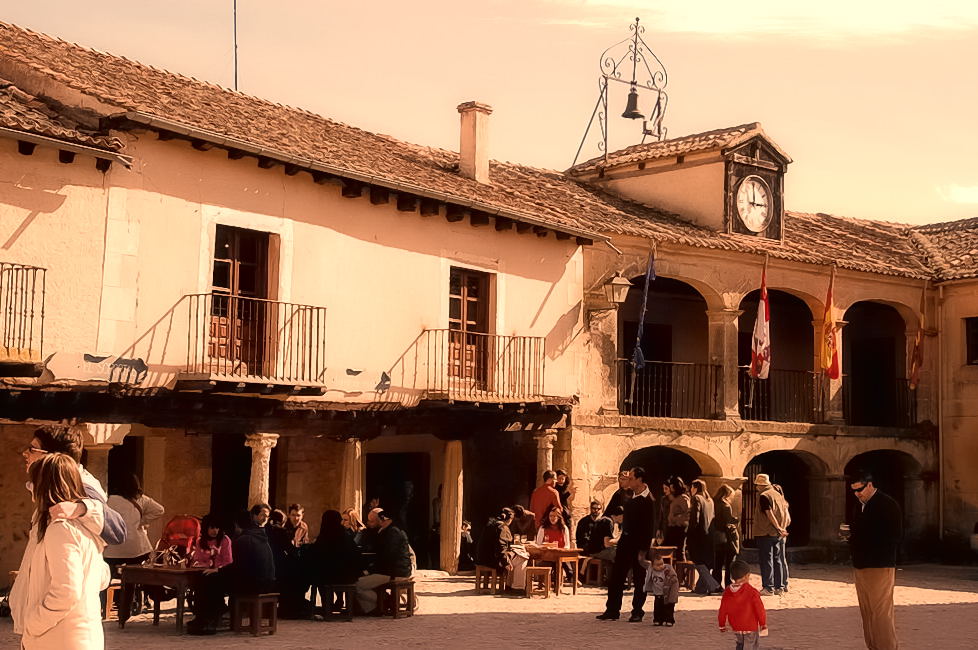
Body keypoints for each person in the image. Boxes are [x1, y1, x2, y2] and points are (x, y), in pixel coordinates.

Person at [9, 453, 112, 649]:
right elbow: (102, 577)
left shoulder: (61, 529)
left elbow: (67, 591)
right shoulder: (86, 525)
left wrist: (34, 623)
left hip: (59, 638)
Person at [22, 424, 126, 546]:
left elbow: (118, 531)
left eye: (32, 449)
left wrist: (81, 508)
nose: (25, 453)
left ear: (54, 457)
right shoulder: (56, 484)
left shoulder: (81, 487)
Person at [188, 510, 276, 635]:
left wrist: (217, 570)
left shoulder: (243, 540)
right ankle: (207, 615)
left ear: (237, 526)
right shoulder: (259, 536)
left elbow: (232, 565)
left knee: (211, 581)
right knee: (207, 579)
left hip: (255, 584)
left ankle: (209, 615)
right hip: (266, 581)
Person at [847, 471, 902, 650]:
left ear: (870, 485)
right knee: (867, 611)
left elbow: (893, 536)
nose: (857, 494)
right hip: (861, 564)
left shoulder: (887, 504)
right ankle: (873, 647)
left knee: (881, 612)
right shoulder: (859, 506)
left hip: (879, 564)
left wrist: (860, 536)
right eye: (854, 491)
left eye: (860, 489)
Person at [597, 466, 655, 622]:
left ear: (639, 479)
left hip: (639, 545)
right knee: (616, 576)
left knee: (639, 579)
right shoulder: (628, 495)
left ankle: (637, 611)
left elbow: (650, 528)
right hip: (625, 542)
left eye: (631, 478)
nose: (628, 480)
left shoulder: (649, 500)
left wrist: (643, 551)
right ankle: (612, 610)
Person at [103, 473, 165, 572]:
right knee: (138, 574)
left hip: (113, 550)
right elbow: (159, 510)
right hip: (136, 549)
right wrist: (142, 521)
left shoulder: (108, 501)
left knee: (109, 574)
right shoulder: (141, 499)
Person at [355, 508, 412, 614]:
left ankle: (384, 603)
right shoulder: (392, 530)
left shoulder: (392, 532)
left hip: (392, 572)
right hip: (392, 570)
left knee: (357, 585)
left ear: (384, 519)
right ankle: (379, 605)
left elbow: (387, 557)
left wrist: (369, 570)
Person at [311, 510, 363, 613]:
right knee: (336, 573)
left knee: (321, 576)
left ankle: (327, 605)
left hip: (328, 577)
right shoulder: (345, 536)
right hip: (346, 577)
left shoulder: (323, 537)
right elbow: (355, 555)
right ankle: (340, 601)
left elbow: (315, 558)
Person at [752, 474, 789, 595]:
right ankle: (780, 587)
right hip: (777, 533)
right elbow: (785, 513)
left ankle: (768, 587)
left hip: (765, 531)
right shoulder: (778, 494)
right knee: (778, 559)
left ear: (760, 485)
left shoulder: (764, 495)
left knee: (766, 560)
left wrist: (778, 527)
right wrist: (781, 528)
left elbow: (769, 513)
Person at [718, 560, 768, 650]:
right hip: (750, 626)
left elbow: (722, 610)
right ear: (746, 576)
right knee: (751, 646)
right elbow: (760, 609)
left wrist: (722, 624)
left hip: (736, 627)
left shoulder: (727, 592)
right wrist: (763, 623)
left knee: (740, 644)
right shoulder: (752, 592)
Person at [689, 479, 722, 594]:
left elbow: (695, 518)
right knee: (704, 561)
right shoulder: (710, 500)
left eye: (692, 487)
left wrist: (690, 531)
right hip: (709, 534)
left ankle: (714, 585)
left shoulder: (696, 498)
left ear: (695, 488)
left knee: (698, 560)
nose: (690, 490)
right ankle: (700, 588)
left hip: (698, 535)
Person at [711, 484, 741, 587]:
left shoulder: (713, 503)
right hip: (726, 537)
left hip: (716, 535)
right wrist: (736, 519)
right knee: (729, 562)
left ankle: (716, 584)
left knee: (718, 563)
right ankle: (728, 582)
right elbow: (728, 521)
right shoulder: (726, 505)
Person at [642, 550, 680, 626]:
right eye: (658, 565)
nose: (661, 566)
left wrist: (670, 579)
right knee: (657, 607)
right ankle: (658, 620)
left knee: (669, 607)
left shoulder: (668, 569)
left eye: (662, 564)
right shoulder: (651, 570)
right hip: (658, 593)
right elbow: (644, 564)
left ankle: (669, 620)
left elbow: (674, 579)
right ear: (652, 565)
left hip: (668, 593)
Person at [476, 508, 515, 577]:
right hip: (491, 561)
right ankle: (514, 585)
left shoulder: (490, 524)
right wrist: (506, 562)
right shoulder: (502, 527)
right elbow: (501, 547)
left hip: (481, 559)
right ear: (510, 519)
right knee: (517, 558)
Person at [665, 476, 691, 560]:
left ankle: (681, 571)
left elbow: (688, 514)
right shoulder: (676, 498)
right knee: (667, 550)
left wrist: (676, 519)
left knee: (680, 551)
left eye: (672, 486)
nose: (671, 488)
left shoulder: (683, 498)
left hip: (679, 528)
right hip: (672, 527)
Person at [773, 484, 791, 592]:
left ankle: (782, 583)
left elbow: (787, 519)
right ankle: (784, 583)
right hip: (782, 533)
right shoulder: (784, 504)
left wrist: (781, 528)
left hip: (779, 533)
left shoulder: (782, 504)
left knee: (779, 558)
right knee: (781, 558)